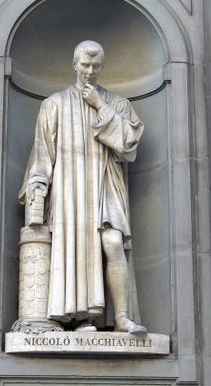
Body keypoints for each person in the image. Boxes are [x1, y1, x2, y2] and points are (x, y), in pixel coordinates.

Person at [19, 41, 147, 334]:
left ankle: (123, 318)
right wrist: (37, 184)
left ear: (102, 67)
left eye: (96, 66)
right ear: (74, 64)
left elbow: (129, 145)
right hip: (70, 189)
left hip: (105, 182)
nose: (89, 71)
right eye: (85, 65)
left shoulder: (117, 104)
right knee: (77, 248)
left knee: (114, 242)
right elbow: (43, 153)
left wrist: (100, 106)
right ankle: (82, 319)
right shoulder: (54, 104)